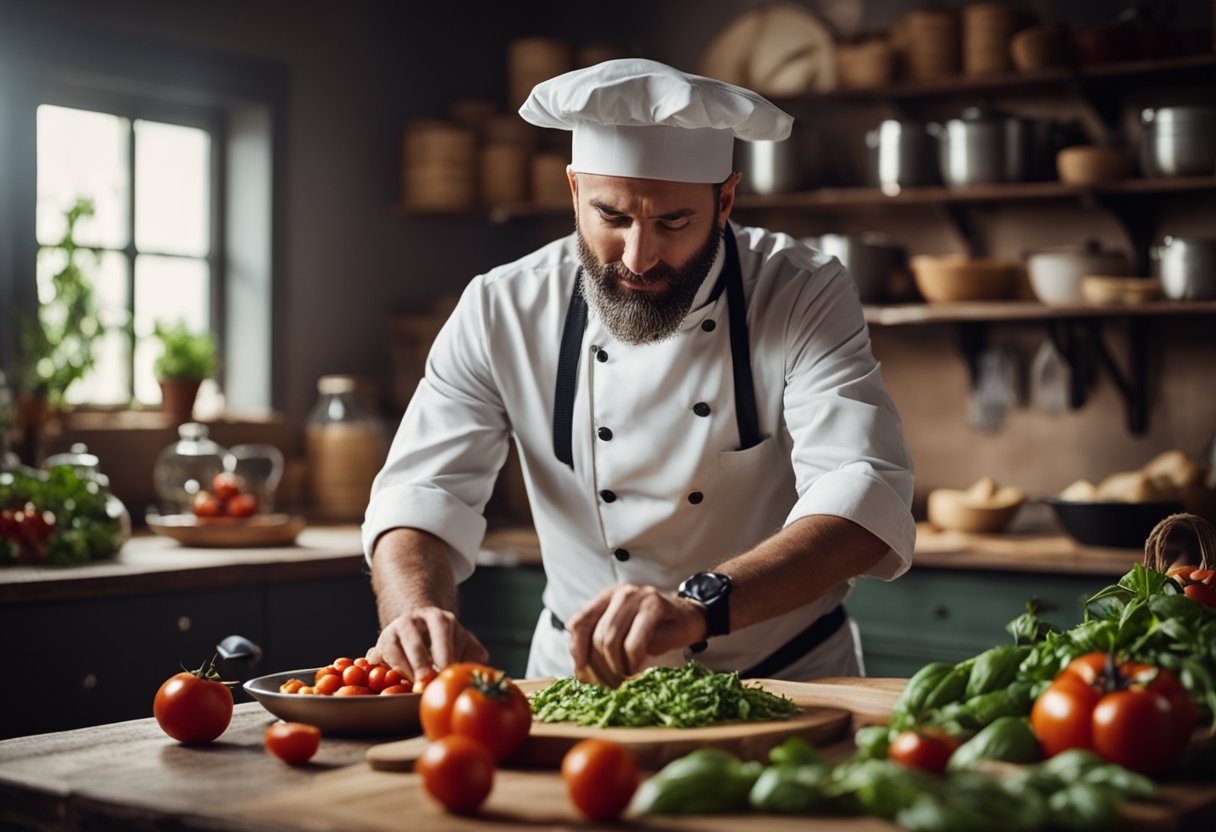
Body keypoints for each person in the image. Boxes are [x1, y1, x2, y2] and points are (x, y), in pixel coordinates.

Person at [363, 59, 915, 686]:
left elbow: (862, 494)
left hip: (784, 680)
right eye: (613, 218)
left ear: (725, 200)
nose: (639, 257)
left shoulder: (801, 291)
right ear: (574, 193)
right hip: (577, 682)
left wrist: (697, 606)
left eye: (672, 223)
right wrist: (416, 612)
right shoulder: (502, 306)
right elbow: (422, 492)